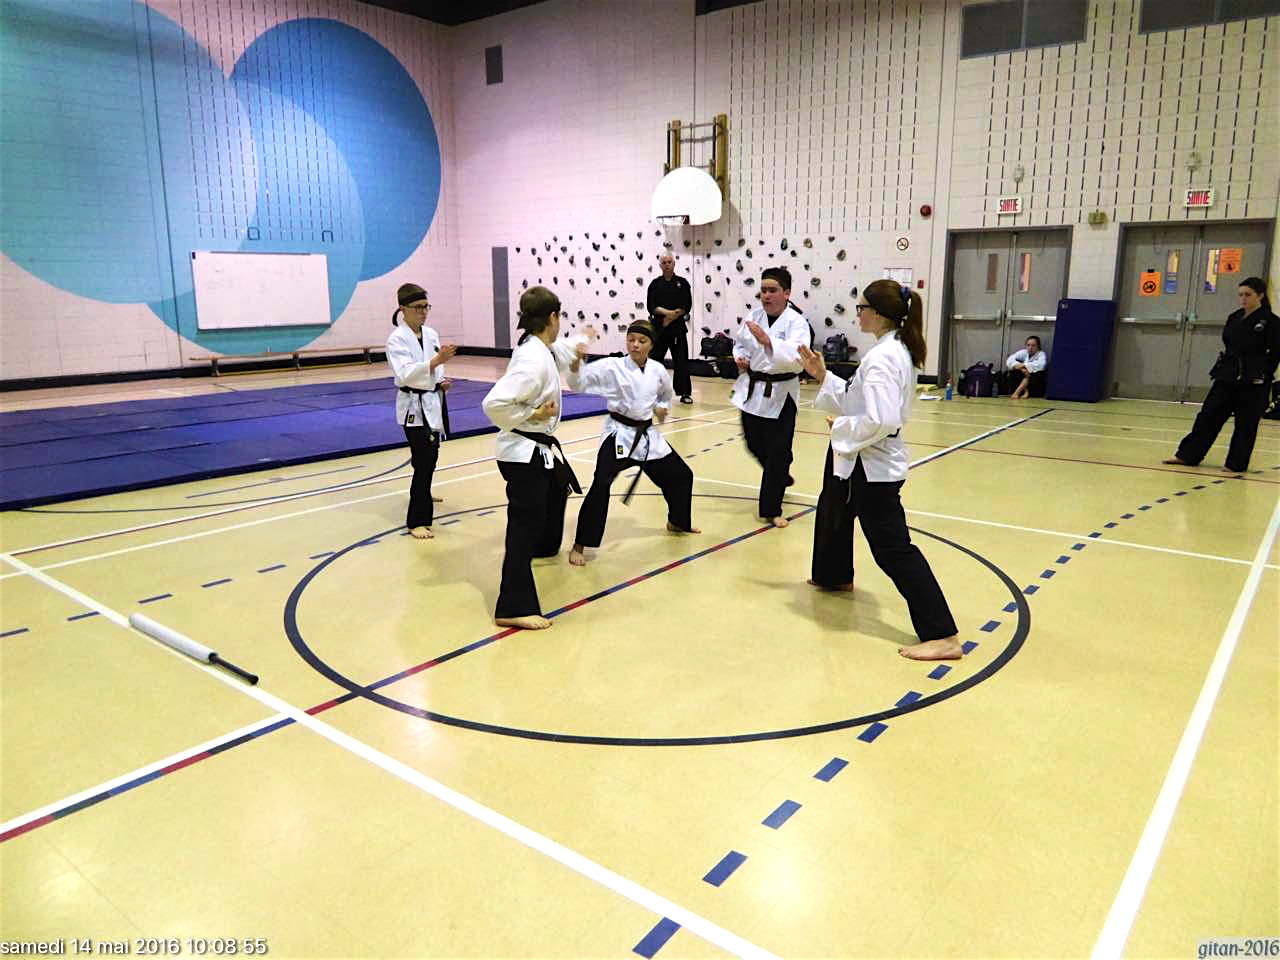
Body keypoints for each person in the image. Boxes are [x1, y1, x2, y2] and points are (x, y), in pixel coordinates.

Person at [799, 279, 963, 661]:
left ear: (877, 313)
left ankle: (943, 635)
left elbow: (881, 419)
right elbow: (858, 400)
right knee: (834, 509)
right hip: (862, 461)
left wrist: (839, 427)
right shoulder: (891, 349)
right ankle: (834, 577)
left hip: (873, 467)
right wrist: (822, 375)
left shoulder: (883, 358)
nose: (858, 314)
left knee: (893, 550)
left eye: (862, 307)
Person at [481, 287, 591, 630]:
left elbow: (562, 349)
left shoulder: (539, 347)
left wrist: (580, 343)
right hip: (521, 453)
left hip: (535, 449)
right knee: (522, 529)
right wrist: (534, 412)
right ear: (553, 317)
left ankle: (544, 547)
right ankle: (512, 606)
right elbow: (493, 404)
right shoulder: (532, 360)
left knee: (557, 490)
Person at [566, 319, 699, 566]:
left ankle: (677, 522)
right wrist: (576, 362)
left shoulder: (657, 369)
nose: (635, 345)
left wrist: (662, 408)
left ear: (651, 345)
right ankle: (580, 544)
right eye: (631, 340)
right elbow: (578, 383)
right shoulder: (613, 366)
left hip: (647, 436)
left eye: (641, 341)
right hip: (619, 434)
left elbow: (666, 394)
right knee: (601, 484)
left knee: (682, 476)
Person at [1163, 276, 1280, 474]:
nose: (1243, 299)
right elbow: (1229, 343)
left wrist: (1263, 371)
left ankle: (1236, 464)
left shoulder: (1271, 321)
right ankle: (1188, 455)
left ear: (1260, 295)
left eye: (1248, 295)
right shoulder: (1235, 317)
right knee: (1208, 416)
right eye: (1240, 295)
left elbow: (1276, 351)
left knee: (1246, 423)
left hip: (1254, 380)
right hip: (1227, 375)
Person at [731, 267, 809, 527]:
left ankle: (771, 509)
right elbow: (739, 343)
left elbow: (799, 359)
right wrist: (740, 357)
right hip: (753, 389)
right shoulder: (754, 316)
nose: (766, 295)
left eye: (772, 290)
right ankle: (781, 472)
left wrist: (769, 342)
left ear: (786, 293)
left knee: (777, 452)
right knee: (753, 443)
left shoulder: (797, 323)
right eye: (763, 290)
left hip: (782, 394)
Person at [386, 283, 455, 539]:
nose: (423, 312)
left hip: (432, 401)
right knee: (425, 459)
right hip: (413, 407)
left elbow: (434, 369)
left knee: (428, 456)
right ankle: (417, 520)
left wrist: (440, 380)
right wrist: (436, 362)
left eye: (426, 307)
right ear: (402, 308)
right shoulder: (397, 339)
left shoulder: (431, 334)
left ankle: (423, 491)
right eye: (417, 307)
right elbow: (405, 374)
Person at [646, 252, 694, 404]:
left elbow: (686, 305)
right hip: (659, 329)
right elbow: (652, 306)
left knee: (681, 361)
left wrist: (672, 317)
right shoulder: (655, 284)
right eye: (664, 262)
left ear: (674, 264)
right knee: (655, 362)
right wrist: (667, 314)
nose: (667, 265)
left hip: (677, 328)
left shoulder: (682, 283)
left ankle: (684, 392)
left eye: (669, 262)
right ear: (660, 265)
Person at [1005, 334, 1047, 398]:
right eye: (1028, 345)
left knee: (1029, 374)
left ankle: (1017, 393)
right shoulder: (1024, 352)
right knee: (1015, 372)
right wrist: (1022, 369)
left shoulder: (1041, 354)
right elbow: (1010, 360)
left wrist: (1024, 365)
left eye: (1033, 345)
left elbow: (1041, 365)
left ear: (1038, 346)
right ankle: (1025, 391)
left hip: (1036, 378)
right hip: (1025, 375)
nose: (1030, 347)